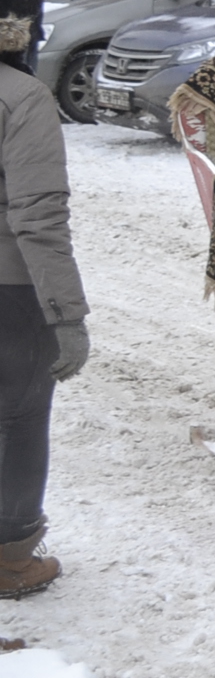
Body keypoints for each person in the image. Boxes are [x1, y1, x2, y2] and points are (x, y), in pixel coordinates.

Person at [1, 54, 89, 595]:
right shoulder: (20, 95)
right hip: (10, 289)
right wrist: (66, 315)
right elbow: (37, 215)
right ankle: (10, 559)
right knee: (17, 420)